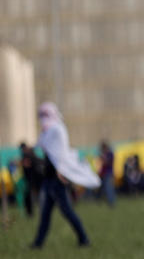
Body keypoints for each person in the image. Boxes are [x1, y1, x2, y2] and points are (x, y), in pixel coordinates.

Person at [31, 103, 100, 249]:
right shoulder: (46, 132)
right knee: (45, 214)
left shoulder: (58, 129)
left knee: (67, 211)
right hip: (48, 178)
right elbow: (41, 149)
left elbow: (61, 153)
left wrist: (61, 171)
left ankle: (84, 239)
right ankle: (38, 243)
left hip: (58, 178)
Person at [18, 142, 42, 217]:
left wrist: (20, 163)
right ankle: (31, 212)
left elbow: (27, 164)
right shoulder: (30, 153)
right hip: (32, 178)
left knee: (31, 196)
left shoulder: (28, 154)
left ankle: (31, 213)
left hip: (33, 179)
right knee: (31, 196)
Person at [97, 140, 116, 206]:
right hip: (103, 174)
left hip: (108, 174)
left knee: (109, 188)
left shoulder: (110, 154)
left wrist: (103, 158)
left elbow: (107, 163)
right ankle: (100, 201)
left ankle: (111, 202)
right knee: (102, 189)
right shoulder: (104, 154)